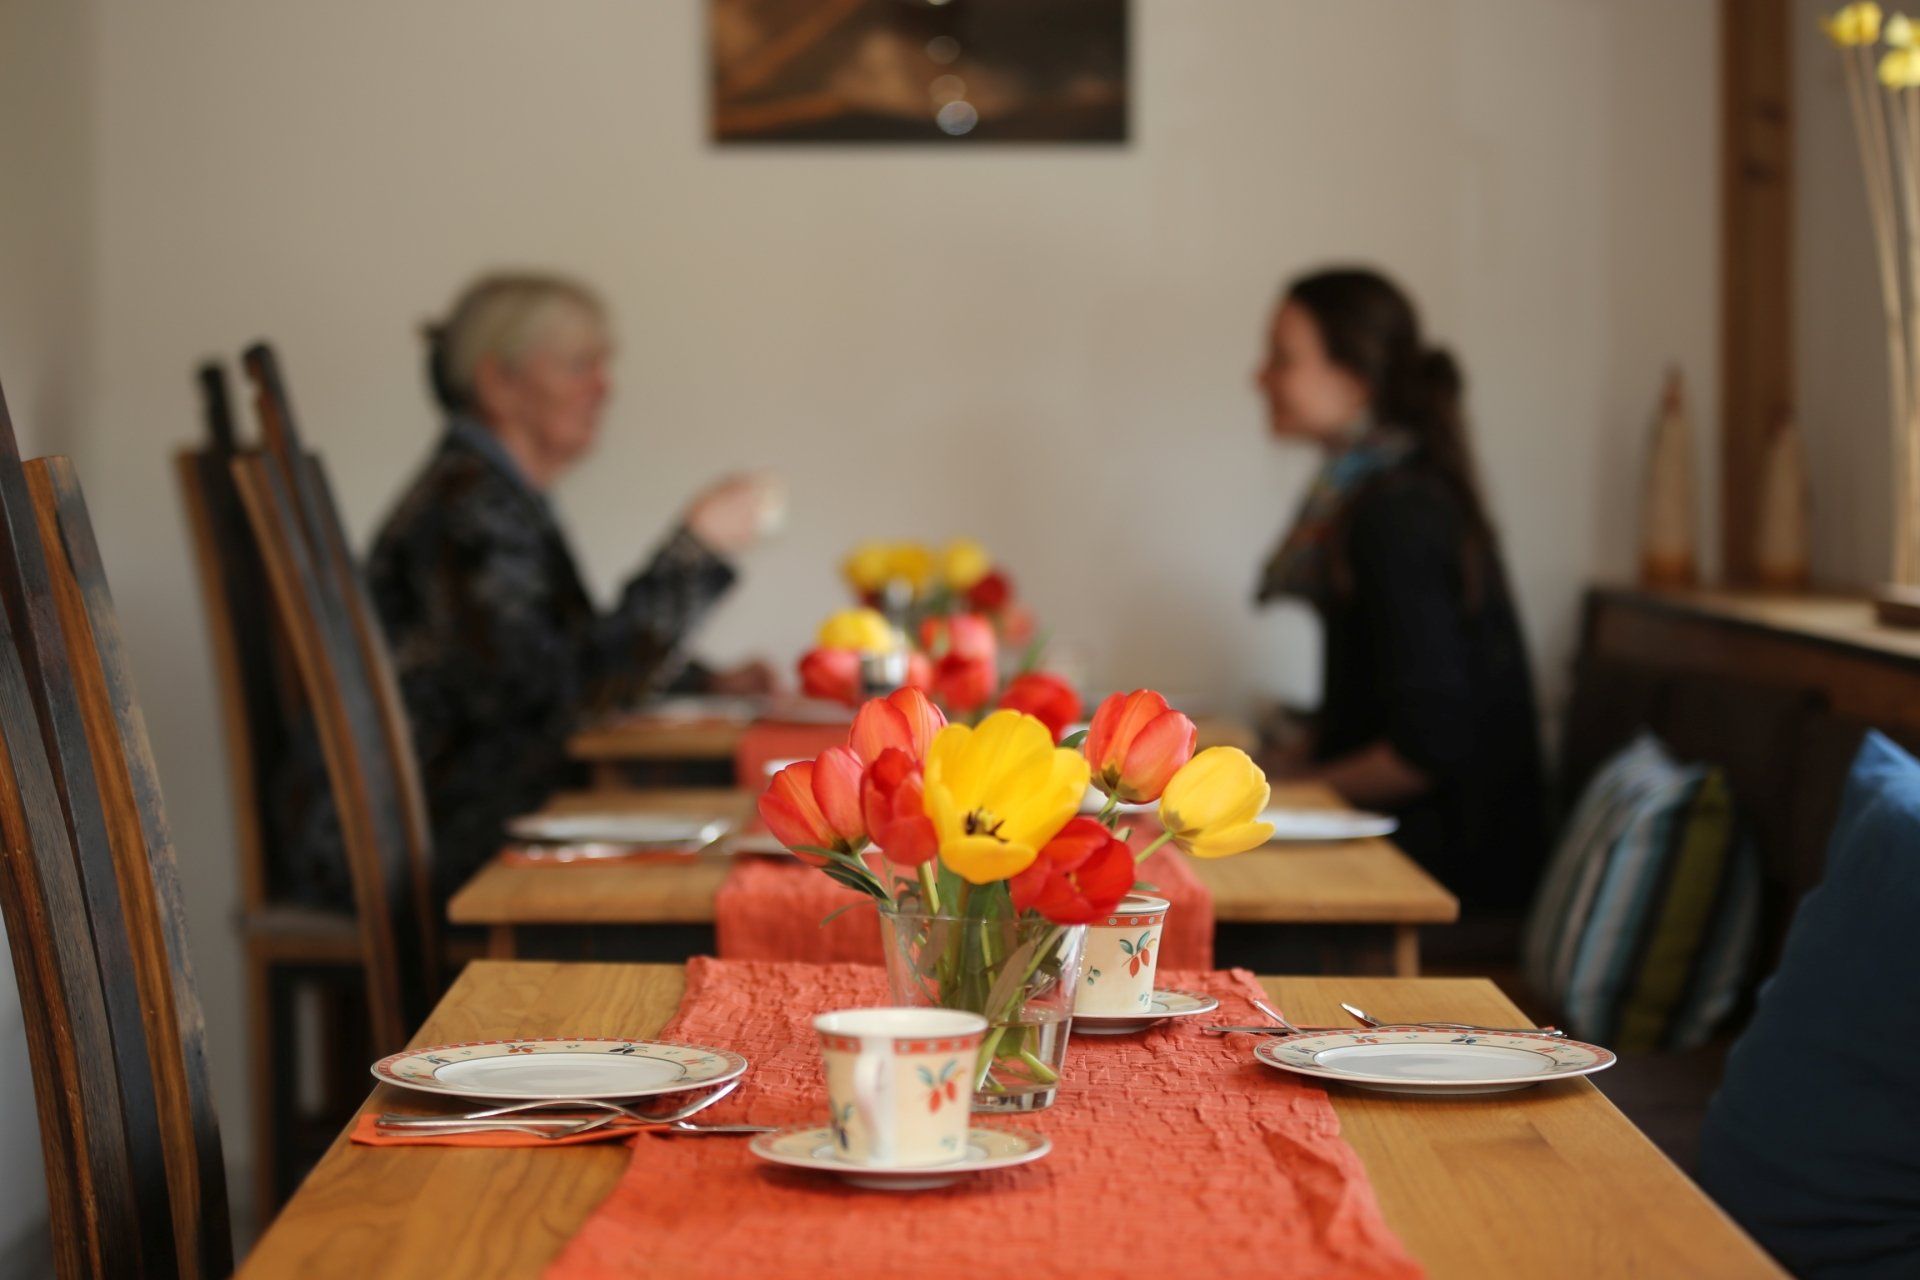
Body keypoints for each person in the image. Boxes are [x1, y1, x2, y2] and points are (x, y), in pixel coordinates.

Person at [280, 272, 780, 907]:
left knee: (718, 840)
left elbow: (557, 653)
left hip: (444, 813)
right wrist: (695, 553)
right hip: (422, 838)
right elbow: (555, 695)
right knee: (712, 874)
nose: (605, 387)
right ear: (498, 383)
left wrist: (702, 682)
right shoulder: (468, 509)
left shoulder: (492, 493)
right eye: (580, 366)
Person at [1251, 267, 1545, 917]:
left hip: (1445, 882)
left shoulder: (1397, 513)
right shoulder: (1383, 494)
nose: (1260, 377)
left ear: (1354, 375)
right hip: (1420, 856)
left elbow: (1426, 746)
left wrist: (1288, 789)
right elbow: (1377, 707)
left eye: (1282, 358)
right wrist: (1272, 763)